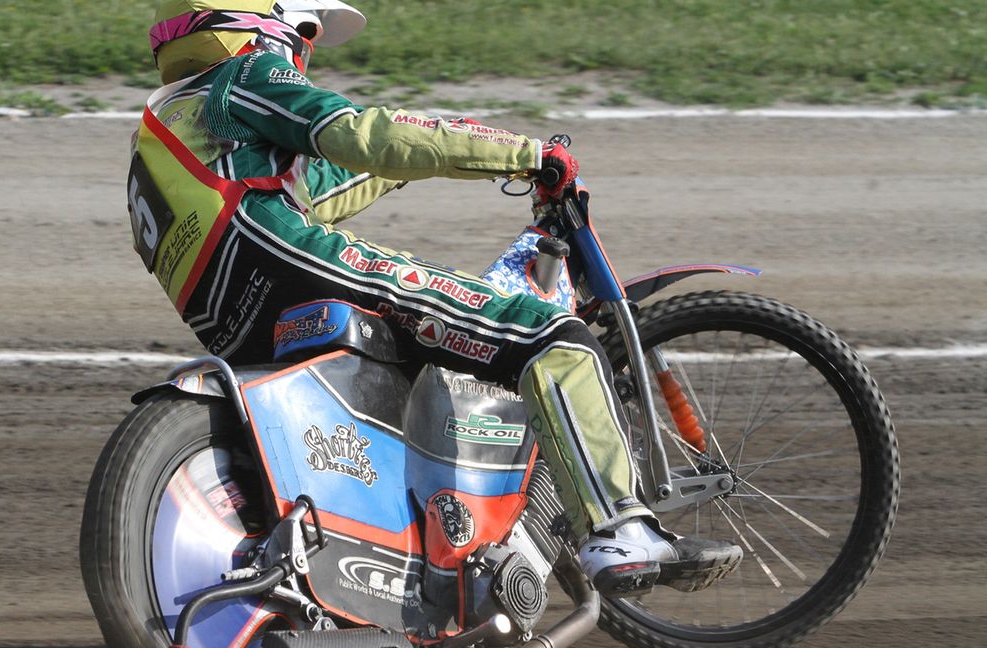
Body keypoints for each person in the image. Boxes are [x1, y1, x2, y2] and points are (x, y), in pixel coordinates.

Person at [129, 0, 741, 598]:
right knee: (552, 337)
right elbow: (360, 137)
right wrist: (526, 156)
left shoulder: (167, 128)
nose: (304, 51)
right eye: (305, 31)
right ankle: (619, 531)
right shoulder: (246, 73)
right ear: (260, 22)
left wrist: (449, 147)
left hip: (238, 324)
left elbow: (332, 181)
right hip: (294, 264)